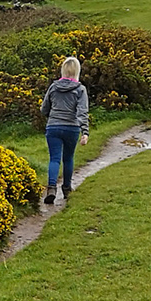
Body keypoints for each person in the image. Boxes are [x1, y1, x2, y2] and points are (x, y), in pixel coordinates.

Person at [40, 56, 90, 205]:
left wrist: (53, 114)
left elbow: (44, 109)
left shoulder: (53, 87)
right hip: (71, 128)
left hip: (53, 126)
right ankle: (67, 189)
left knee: (54, 159)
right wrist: (85, 132)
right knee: (68, 158)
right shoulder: (80, 89)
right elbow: (82, 111)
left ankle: (51, 189)